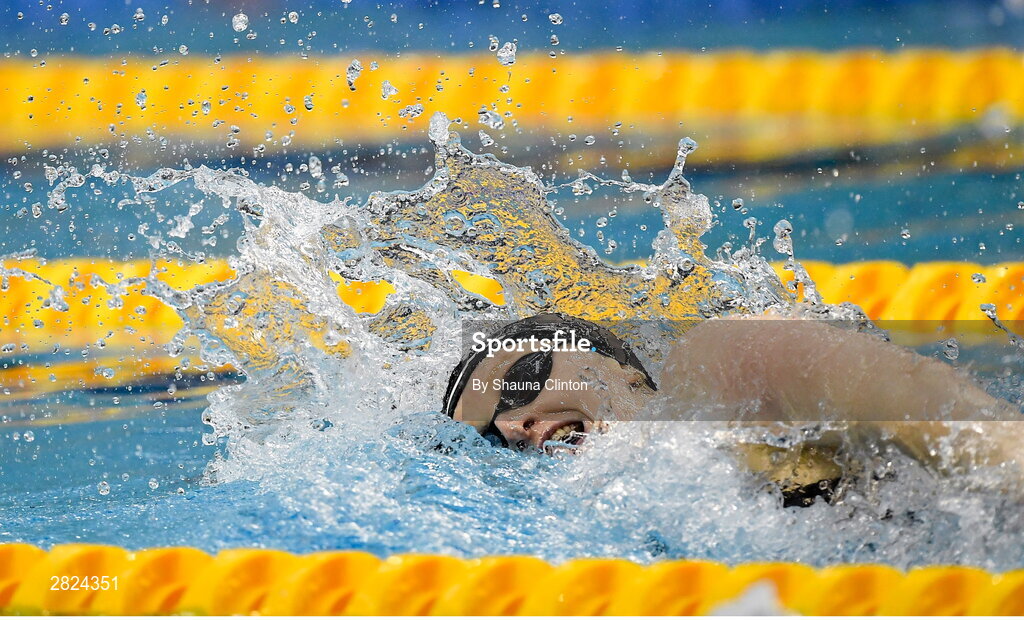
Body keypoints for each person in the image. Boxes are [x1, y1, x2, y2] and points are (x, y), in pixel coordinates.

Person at [443, 313, 1023, 506]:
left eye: (517, 381)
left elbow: (932, 406)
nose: (511, 424)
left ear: (609, 362)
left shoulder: (718, 362)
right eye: (491, 435)